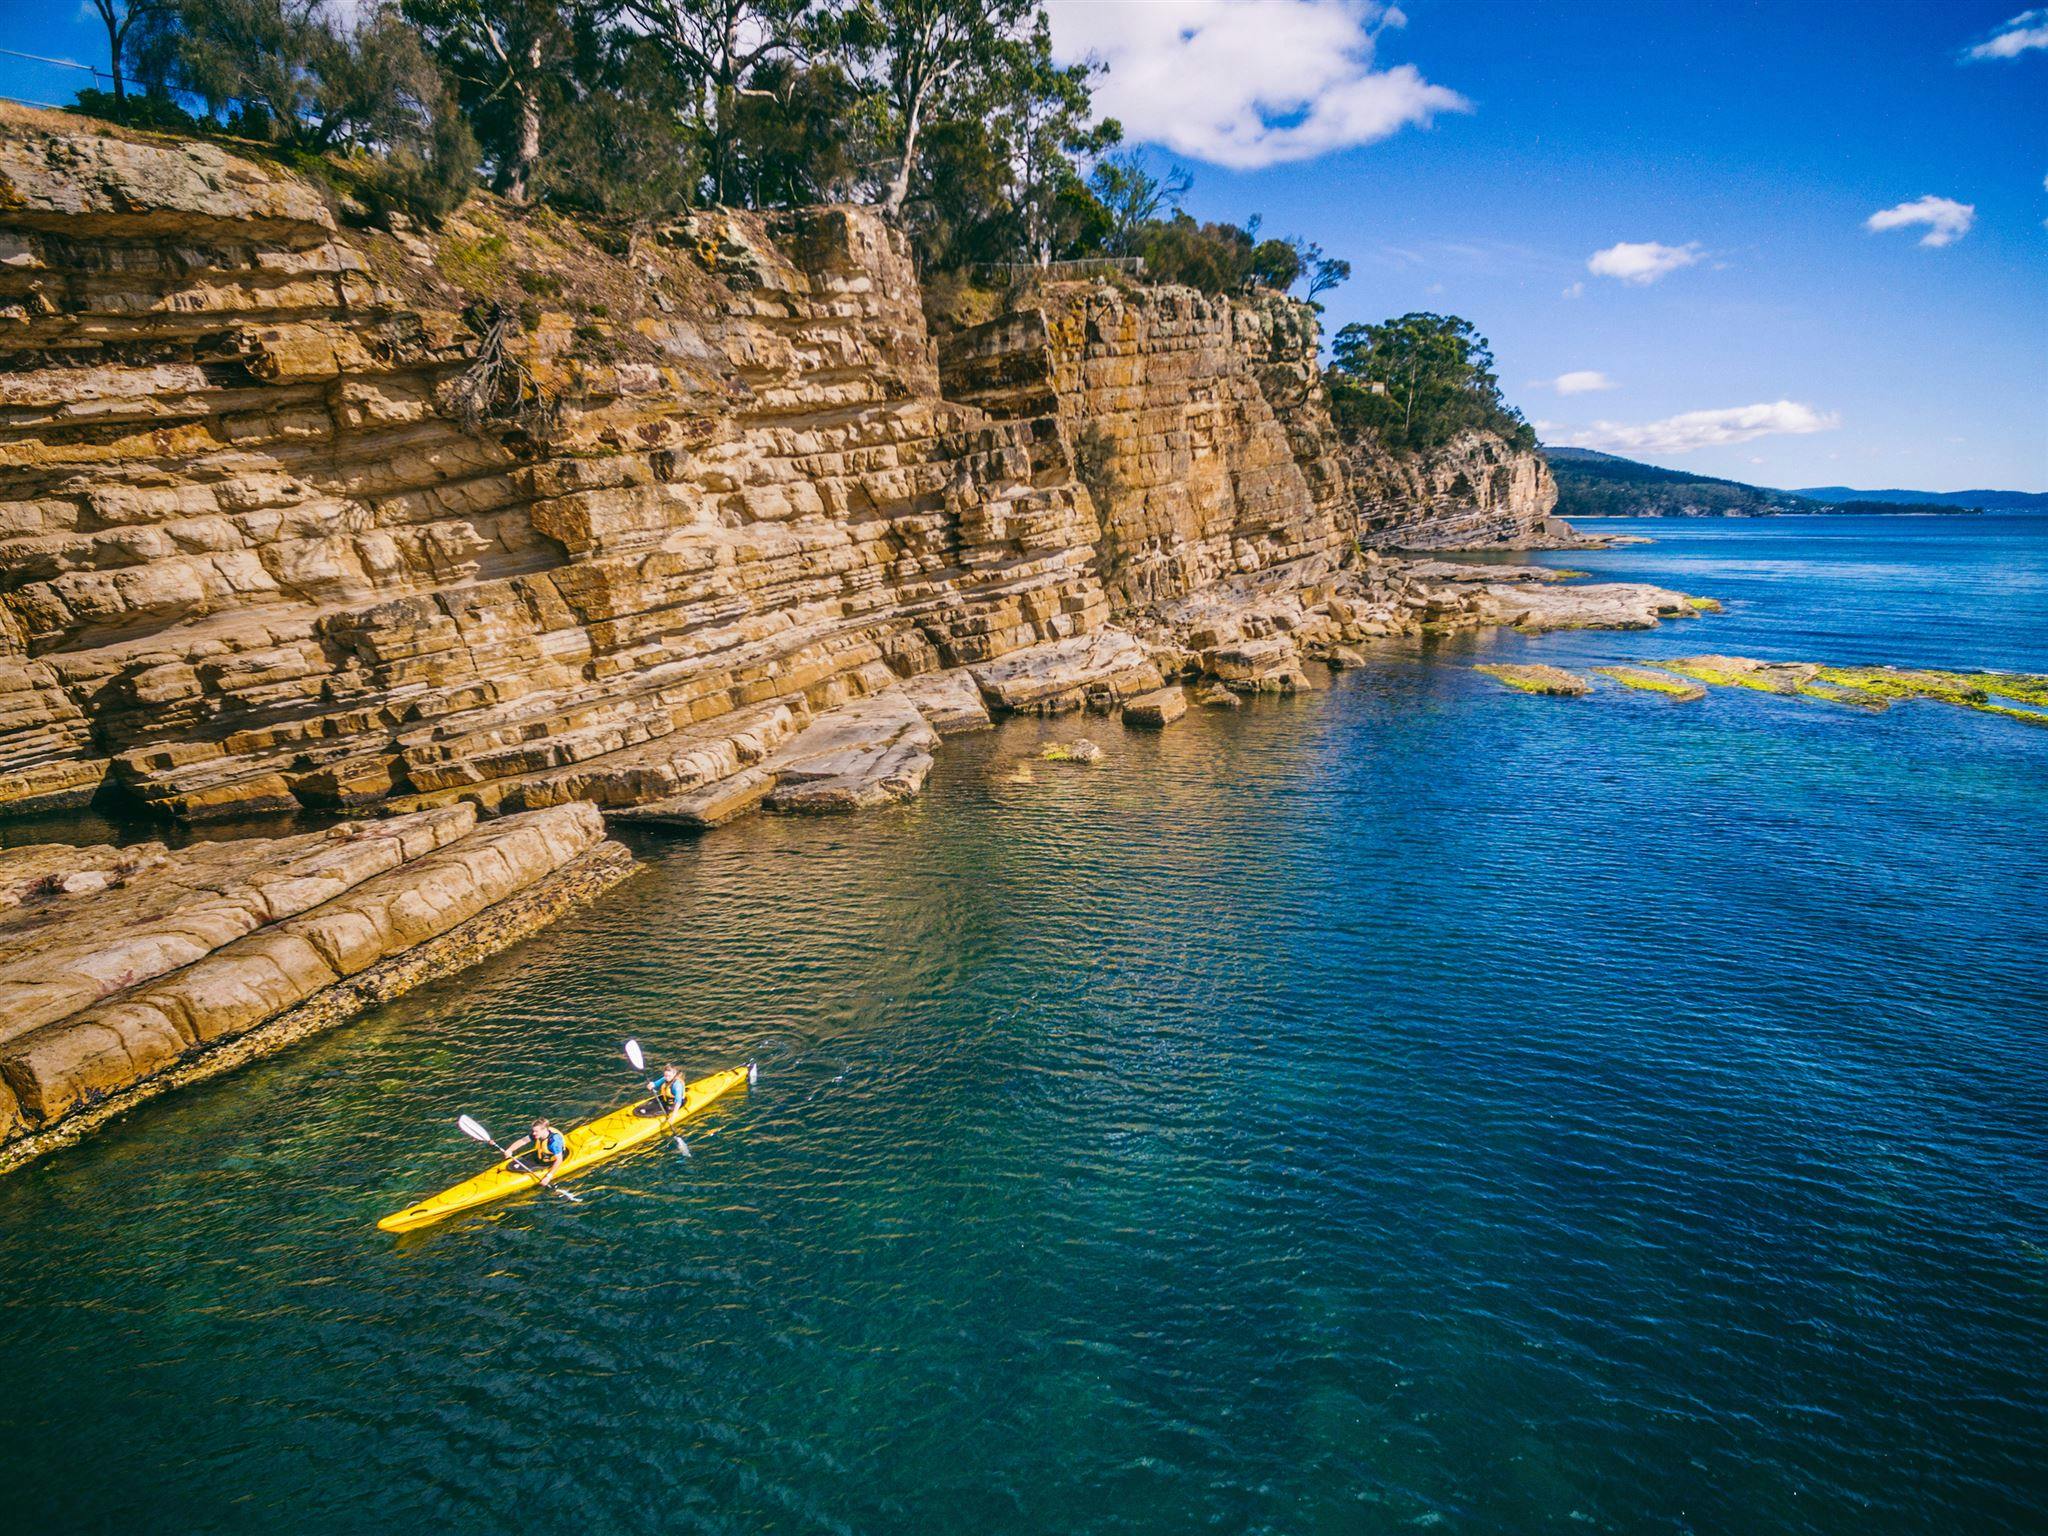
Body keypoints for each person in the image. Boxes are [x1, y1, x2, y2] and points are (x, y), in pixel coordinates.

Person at [527, 1118, 567, 1185]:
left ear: (544, 1130)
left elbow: (559, 1160)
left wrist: (548, 1177)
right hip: (541, 1156)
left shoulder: (554, 1142)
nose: (534, 1133)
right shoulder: (539, 1133)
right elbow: (523, 1141)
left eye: (536, 1131)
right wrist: (510, 1150)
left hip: (551, 1161)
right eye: (533, 1131)